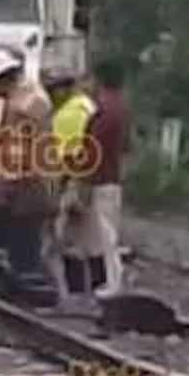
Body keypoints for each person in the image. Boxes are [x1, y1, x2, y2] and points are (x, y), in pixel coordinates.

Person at [0, 48, 54, 292]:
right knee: (13, 234)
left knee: (25, 236)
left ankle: (31, 285)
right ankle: (19, 283)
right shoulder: (7, 99)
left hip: (28, 180)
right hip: (13, 179)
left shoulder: (29, 101)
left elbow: (25, 147)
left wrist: (4, 178)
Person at [43, 69, 97, 301]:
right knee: (82, 249)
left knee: (50, 248)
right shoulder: (90, 107)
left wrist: (55, 193)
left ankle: (62, 295)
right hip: (89, 185)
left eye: (53, 90)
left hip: (68, 187)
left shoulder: (66, 115)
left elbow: (65, 158)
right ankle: (88, 297)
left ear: (62, 89)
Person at [83, 58, 130, 294]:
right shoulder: (120, 107)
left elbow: (93, 148)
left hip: (102, 179)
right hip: (110, 177)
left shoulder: (104, 111)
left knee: (105, 234)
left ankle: (113, 283)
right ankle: (103, 281)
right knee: (99, 233)